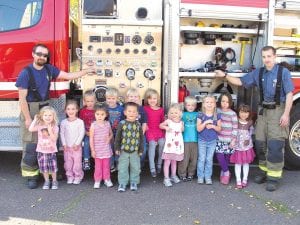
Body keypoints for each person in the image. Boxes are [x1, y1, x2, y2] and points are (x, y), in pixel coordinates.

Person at [15, 43, 94, 189]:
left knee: (49, 142)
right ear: (33, 54)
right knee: (31, 144)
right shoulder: (25, 72)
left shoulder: (49, 69)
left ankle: (50, 172)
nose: (42, 57)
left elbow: (68, 76)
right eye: (39, 54)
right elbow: (22, 99)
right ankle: (31, 176)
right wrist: (27, 118)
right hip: (31, 109)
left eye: (45, 55)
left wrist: (86, 71)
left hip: (46, 109)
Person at [215, 46, 294, 191]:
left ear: (274, 57)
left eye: (269, 56)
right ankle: (265, 171)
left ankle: (273, 177)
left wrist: (286, 114)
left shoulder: (284, 72)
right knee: (260, 144)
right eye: (264, 57)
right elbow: (240, 82)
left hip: (278, 111)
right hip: (263, 111)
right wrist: (224, 75)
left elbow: (289, 94)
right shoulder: (259, 72)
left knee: (275, 145)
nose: (266, 59)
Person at [115, 102, 144, 192]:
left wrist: (140, 149)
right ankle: (123, 183)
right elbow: (118, 137)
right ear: (125, 112)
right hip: (124, 150)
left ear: (137, 114)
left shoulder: (138, 125)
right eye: (129, 111)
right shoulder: (122, 123)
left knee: (135, 167)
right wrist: (117, 148)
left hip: (135, 151)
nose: (131, 113)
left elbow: (141, 138)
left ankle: (134, 182)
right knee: (122, 167)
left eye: (134, 112)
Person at [28, 106, 59, 189]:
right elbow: (30, 129)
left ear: (53, 117)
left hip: (51, 151)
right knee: (44, 167)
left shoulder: (55, 126)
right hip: (41, 151)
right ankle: (47, 181)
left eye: (50, 115)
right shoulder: (40, 125)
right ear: (42, 116)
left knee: (53, 167)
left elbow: (54, 139)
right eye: (45, 115)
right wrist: (35, 120)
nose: (48, 117)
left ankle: (55, 181)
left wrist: (49, 130)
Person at [197, 95, 221, 185]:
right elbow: (198, 129)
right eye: (207, 102)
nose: (209, 104)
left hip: (212, 141)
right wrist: (205, 123)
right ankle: (200, 176)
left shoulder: (217, 116)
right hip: (202, 140)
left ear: (215, 104)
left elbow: (219, 129)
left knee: (209, 159)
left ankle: (207, 177)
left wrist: (213, 126)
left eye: (211, 102)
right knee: (202, 159)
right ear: (203, 104)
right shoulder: (200, 115)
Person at [230, 104, 256, 189]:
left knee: (246, 163)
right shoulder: (236, 121)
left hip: (246, 146)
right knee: (238, 163)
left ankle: (245, 179)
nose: (243, 114)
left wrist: (247, 139)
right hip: (237, 146)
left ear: (249, 113)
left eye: (246, 112)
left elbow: (251, 131)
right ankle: (238, 180)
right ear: (238, 112)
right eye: (241, 112)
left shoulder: (250, 122)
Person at [60, 100, 85, 185]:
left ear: (77, 110)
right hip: (67, 147)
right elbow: (62, 133)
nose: (71, 111)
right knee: (68, 163)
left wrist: (77, 143)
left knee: (77, 163)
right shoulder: (63, 122)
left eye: (73, 109)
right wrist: (64, 144)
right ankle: (70, 176)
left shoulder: (80, 122)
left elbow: (82, 133)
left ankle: (78, 176)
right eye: (68, 109)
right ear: (65, 111)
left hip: (76, 147)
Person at [159, 103, 184, 187]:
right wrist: (166, 128)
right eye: (172, 113)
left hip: (177, 147)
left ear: (180, 113)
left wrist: (182, 127)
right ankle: (166, 178)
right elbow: (160, 125)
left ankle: (173, 175)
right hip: (169, 146)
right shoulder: (168, 121)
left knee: (174, 162)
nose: (174, 115)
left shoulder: (181, 122)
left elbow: (182, 130)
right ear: (169, 113)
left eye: (176, 113)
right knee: (167, 162)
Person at [216, 93, 238, 185]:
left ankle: (223, 171)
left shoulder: (232, 113)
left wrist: (233, 140)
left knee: (226, 157)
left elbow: (235, 127)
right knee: (219, 155)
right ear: (220, 101)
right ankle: (227, 172)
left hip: (229, 139)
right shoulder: (217, 111)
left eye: (227, 102)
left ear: (230, 103)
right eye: (223, 101)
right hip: (219, 138)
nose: (225, 103)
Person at [89, 105, 113, 189]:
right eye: (97, 114)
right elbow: (91, 138)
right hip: (97, 149)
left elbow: (111, 134)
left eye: (102, 114)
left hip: (106, 149)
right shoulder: (93, 125)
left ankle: (107, 179)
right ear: (94, 114)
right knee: (98, 166)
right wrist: (92, 150)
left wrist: (109, 138)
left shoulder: (107, 124)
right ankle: (97, 180)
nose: (99, 116)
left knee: (106, 166)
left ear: (106, 115)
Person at [143, 88, 165, 177]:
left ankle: (159, 163)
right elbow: (143, 120)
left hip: (158, 130)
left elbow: (162, 121)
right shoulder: (145, 108)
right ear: (147, 99)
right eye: (150, 98)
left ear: (157, 99)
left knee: (162, 143)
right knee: (152, 144)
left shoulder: (161, 110)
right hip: (149, 130)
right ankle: (152, 167)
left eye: (154, 98)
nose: (152, 100)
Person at [125, 88, 148, 168]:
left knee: (143, 150)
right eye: (131, 96)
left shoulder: (142, 109)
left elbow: (144, 123)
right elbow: (122, 123)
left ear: (139, 98)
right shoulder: (124, 109)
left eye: (135, 96)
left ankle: (140, 164)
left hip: (140, 134)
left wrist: (140, 134)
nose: (133, 98)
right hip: (127, 134)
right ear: (127, 98)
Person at [178, 96, 198, 181]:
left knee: (194, 159)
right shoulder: (182, 114)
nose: (190, 107)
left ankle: (191, 173)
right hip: (185, 140)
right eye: (188, 105)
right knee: (184, 158)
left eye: (193, 105)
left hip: (195, 140)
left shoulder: (198, 114)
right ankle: (182, 174)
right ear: (185, 106)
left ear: (195, 106)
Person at [105, 86, 124, 172]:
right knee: (109, 148)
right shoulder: (105, 109)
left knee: (117, 148)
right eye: (109, 98)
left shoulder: (121, 109)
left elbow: (123, 120)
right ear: (106, 98)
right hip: (108, 133)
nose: (111, 100)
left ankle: (118, 163)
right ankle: (111, 164)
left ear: (117, 98)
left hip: (118, 133)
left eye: (113, 98)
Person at [79, 90, 96, 171]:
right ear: (84, 101)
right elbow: (80, 123)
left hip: (96, 133)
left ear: (95, 101)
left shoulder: (97, 110)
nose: (90, 103)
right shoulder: (82, 111)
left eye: (92, 101)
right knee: (86, 143)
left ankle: (97, 161)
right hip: (86, 132)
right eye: (87, 101)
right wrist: (86, 132)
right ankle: (86, 160)